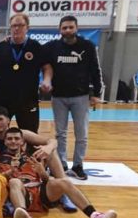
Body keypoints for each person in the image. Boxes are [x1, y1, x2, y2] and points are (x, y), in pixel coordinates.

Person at [0, 128, 117, 218]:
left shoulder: (33, 155)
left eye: (16, 138)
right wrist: (9, 172)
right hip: (21, 194)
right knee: (14, 182)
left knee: (64, 181)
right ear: (5, 142)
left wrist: (42, 172)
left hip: (40, 192)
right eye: (10, 139)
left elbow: (45, 180)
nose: (13, 141)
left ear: (22, 141)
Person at [41, 15, 102, 181]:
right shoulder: (51, 47)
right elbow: (37, 56)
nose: (67, 30)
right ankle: (61, 164)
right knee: (60, 134)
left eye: (70, 27)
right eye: (64, 28)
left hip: (80, 97)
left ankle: (78, 166)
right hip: (58, 97)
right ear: (60, 30)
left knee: (81, 134)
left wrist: (97, 93)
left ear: (76, 28)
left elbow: (95, 70)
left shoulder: (87, 46)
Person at [0, 106, 77, 213]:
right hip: (3, 167)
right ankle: (10, 200)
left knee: (51, 152)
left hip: (25, 165)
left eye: (0, 119)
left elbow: (52, 141)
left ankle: (64, 192)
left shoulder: (22, 133)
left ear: (8, 120)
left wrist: (48, 148)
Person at [0, 14, 50, 132]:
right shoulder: (1, 47)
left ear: (27, 27)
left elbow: (46, 67)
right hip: (2, 99)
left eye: (20, 25)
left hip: (27, 99)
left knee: (30, 134)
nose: (17, 28)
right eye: (14, 25)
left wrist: (46, 80)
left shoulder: (35, 46)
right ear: (10, 27)